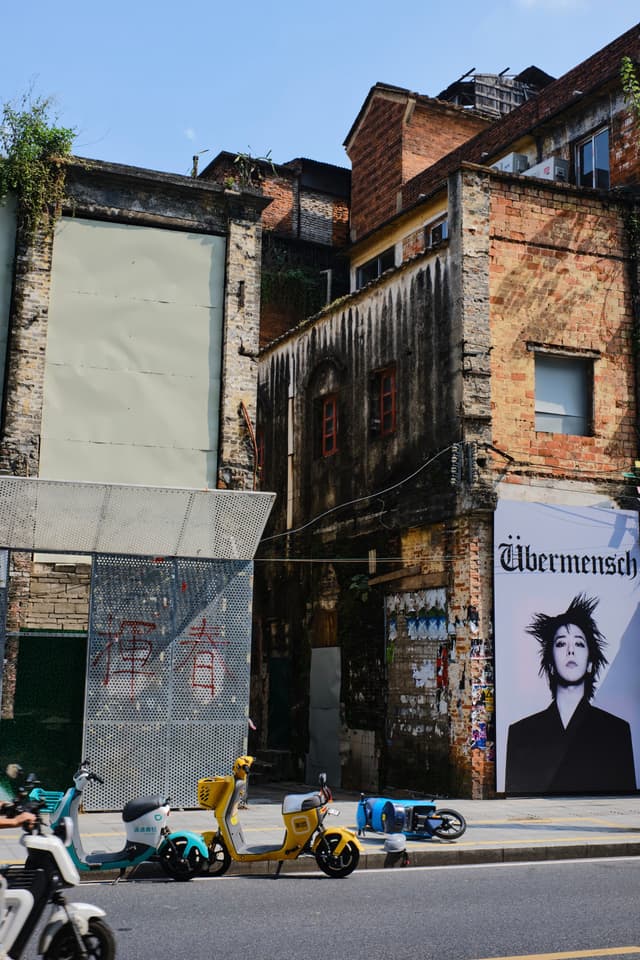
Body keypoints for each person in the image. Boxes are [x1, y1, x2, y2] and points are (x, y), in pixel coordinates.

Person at [505, 593, 636, 795]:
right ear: (550, 664)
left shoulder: (616, 731)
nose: (570, 651)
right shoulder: (521, 733)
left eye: (579, 643)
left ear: (591, 663)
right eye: (561, 644)